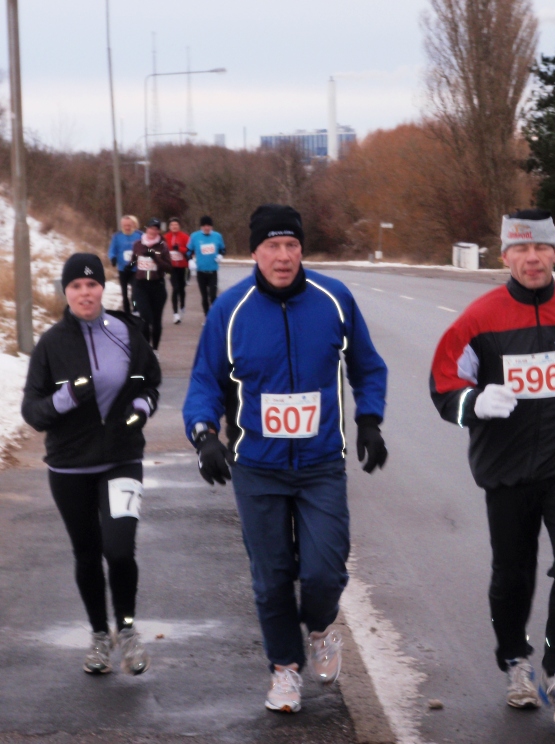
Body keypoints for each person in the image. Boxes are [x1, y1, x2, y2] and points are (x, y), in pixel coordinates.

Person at [183, 204, 388, 713]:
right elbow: (204, 382)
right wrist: (205, 434)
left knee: (324, 570)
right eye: (271, 246)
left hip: (321, 464)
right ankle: (285, 670)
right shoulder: (230, 311)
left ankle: (319, 628)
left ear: (302, 250)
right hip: (257, 467)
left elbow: (368, 366)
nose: (282, 256)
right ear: (253, 252)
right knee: (271, 577)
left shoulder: (333, 300)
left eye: (291, 245)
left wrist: (370, 420)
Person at [429, 209, 555, 728]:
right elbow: (444, 383)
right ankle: (515, 660)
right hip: (506, 467)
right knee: (512, 575)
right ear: (505, 255)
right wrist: (473, 403)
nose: (532, 258)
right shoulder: (478, 317)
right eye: (520, 249)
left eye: (541, 249)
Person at [21, 252, 161, 676]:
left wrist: (141, 406)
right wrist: (66, 398)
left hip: (121, 458)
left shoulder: (125, 332)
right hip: (69, 467)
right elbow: (32, 410)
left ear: (103, 288)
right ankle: (100, 636)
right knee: (86, 553)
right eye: (76, 286)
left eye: (92, 285)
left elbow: (148, 381)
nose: (85, 293)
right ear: (66, 292)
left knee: (119, 549)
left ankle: (129, 630)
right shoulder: (51, 345)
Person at [129, 218, 172, 356]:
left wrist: (155, 258)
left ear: (158, 231)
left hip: (157, 286)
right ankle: (146, 349)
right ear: (146, 229)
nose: (152, 231)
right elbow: (133, 262)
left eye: (155, 229)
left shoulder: (162, 246)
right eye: (150, 228)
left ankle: (155, 349)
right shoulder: (138, 244)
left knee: (156, 320)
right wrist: (128, 266)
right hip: (141, 285)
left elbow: (168, 268)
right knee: (145, 318)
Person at [187, 215, 226, 316]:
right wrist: (190, 260)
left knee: (213, 295)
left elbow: (223, 249)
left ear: (212, 226)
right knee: (204, 296)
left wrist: (220, 256)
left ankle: (215, 315)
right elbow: (188, 251)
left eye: (209, 225)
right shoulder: (195, 236)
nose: (207, 228)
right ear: (201, 227)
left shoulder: (217, 236)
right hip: (201, 271)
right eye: (204, 226)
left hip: (213, 271)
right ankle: (207, 316)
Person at [108, 215, 142, 314]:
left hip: (135, 269)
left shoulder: (139, 235)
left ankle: (135, 309)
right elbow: (111, 250)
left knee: (135, 292)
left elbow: (144, 249)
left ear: (134, 225)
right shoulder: (117, 236)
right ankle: (127, 312)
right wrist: (113, 258)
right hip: (122, 269)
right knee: (124, 293)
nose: (127, 227)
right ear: (121, 225)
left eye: (129, 225)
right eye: (125, 225)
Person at [164, 217, 190, 324]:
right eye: (172, 225)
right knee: (175, 288)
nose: (174, 227)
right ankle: (175, 314)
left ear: (179, 226)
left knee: (181, 288)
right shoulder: (165, 237)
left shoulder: (185, 237)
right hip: (171, 267)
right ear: (169, 227)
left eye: (176, 225)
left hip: (183, 267)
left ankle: (182, 305)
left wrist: (180, 249)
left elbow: (189, 251)